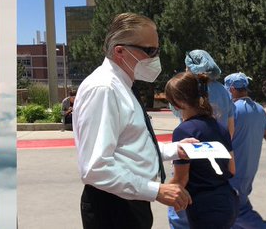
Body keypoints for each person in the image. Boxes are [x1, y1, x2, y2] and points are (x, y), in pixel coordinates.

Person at [74, 12, 194, 228]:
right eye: (150, 51)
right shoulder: (104, 89)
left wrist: (175, 149)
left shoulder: (124, 86)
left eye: (157, 50)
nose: (156, 58)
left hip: (129, 200)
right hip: (113, 208)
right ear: (120, 51)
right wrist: (156, 190)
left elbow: (131, 147)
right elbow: (95, 168)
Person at [168, 50, 237, 228]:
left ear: (178, 103)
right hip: (226, 202)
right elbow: (231, 169)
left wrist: (154, 191)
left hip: (201, 205)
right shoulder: (220, 126)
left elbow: (181, 180)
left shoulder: (183, 132)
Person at [224, 72, 266, 228]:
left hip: (232, 174)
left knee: (238, 213)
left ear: (232, 89)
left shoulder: (232, 110)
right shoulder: (260, 110)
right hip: (248, 175)